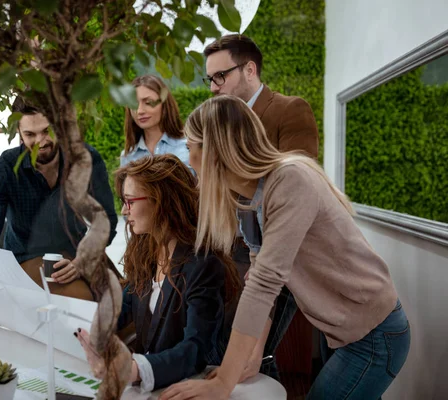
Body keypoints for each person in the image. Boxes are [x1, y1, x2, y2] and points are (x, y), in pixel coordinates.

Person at [160, 95, 410, 400]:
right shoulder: (248, 197)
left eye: (190, 148)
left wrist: (223, 381)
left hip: (373, 333)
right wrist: (254, 355)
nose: (189, 159)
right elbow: (264, 280)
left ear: (214, 150)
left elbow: (265, 283)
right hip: (340, 328)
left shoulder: (290, 181)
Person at [203, 33, 320, 380]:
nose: (213, 87)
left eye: (220, 76)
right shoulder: (222, 120)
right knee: (226, 351)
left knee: (256, 357)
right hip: (230, 254)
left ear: (250, 69)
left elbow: (299, 191)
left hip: (277, 257)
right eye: (209, 79)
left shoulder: (289, 109)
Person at [74, 155, 243, 392]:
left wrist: (133, 370)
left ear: (161, 201)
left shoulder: (204, 265)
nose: (124, 210)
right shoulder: (146, 253)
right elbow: (122, 306)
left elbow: (195, 349)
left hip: (188, 389)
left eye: (130, 201)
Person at [0, 96, 119, 299]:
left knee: (132, 302)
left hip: (79, 253)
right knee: (84, 302)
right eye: (30, 134)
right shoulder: (2, 169)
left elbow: (106, 219)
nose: (41, 141)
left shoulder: (86, 159)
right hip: (28, 257)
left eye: (47, 131)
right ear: (18, 133)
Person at [119, 75, 190, 168]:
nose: (140, 111)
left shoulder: (188, 148)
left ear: (164, 104)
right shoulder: (127, 157)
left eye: (148, 102)